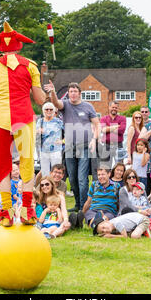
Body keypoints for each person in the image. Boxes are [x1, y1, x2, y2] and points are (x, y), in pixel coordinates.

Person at [0, 21, 46, 227]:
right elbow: (40, 100)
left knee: (2, 164)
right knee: (27, 162)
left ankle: (6, 211)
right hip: (24, 118)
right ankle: (27, 210)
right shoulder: (31, 66)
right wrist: (47, 89)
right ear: (19, 45)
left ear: (0, 45)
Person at [45, 80, 100, 213]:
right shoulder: (66, 105)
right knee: (73, 179)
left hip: (85, 147)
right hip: (69, 147)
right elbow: (56, 103)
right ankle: (77, 203)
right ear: (68, 93)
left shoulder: (88, 106)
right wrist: (52, 91)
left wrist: (94, 139)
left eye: (75, 91)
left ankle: (84, 207)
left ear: (80, 93)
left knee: (82, 178)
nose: (73, 94)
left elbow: (97, 124)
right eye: (71, 91)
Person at [36, 102, 64, 177]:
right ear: (43, 111)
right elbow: (36, 132)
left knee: (56, 172)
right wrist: (38, 131)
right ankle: (47, 188)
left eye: (51, 109)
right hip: (43, 151)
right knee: (45, 173)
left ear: (54, 111)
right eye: (46, 109)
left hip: (56, 150)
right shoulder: (40, 121)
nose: (49, 111)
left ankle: (56, 187)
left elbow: (69, 132)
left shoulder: (58, 121)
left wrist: (63, 141)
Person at [99, 101, 126, 167]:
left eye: (116, 108)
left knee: (119, 167)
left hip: (118, 146)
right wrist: (115, 126)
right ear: (109, 107)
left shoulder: (122, 118)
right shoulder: (103, 119)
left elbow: (121, 130)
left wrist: (108, 128)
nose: (114, 109)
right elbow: (103, 130)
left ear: (118, 109)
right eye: (113, 107)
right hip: (106, 145)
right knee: (105, 167)